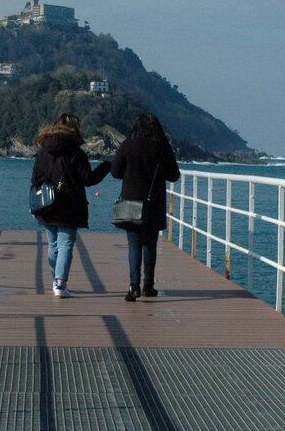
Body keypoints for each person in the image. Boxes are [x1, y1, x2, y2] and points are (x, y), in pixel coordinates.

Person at [31, 113, 111, 298]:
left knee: (53, 245)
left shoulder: (43, 151)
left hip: (46, 204)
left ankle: (55, 281)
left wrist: (39, 197)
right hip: (70, 204)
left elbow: (35, 178)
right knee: (65, 244)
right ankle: (60, 283)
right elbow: (88, 179)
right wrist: (106, 166)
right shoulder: (76, 153)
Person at [110, 113, 181, 301]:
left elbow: (115, 172)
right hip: (154, 204)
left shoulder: (127, 145)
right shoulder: (162, 148)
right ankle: (149, 285)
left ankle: (134, 286)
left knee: (134, 245)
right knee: (150, 245)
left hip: (131, 203)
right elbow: (174, 175)